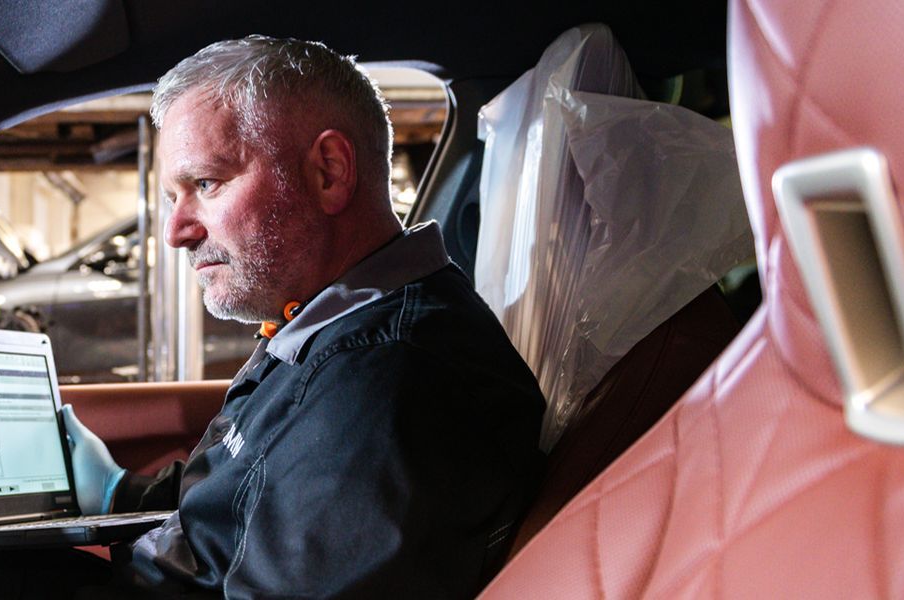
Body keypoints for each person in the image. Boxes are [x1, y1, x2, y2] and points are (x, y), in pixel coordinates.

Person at [62, 36, 547, 597]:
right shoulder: (329, 323)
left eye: (205, 183)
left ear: (330, 172)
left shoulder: (383, 385)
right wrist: (122, 494)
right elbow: (245, 496)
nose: (177, 231)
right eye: (174, 197)